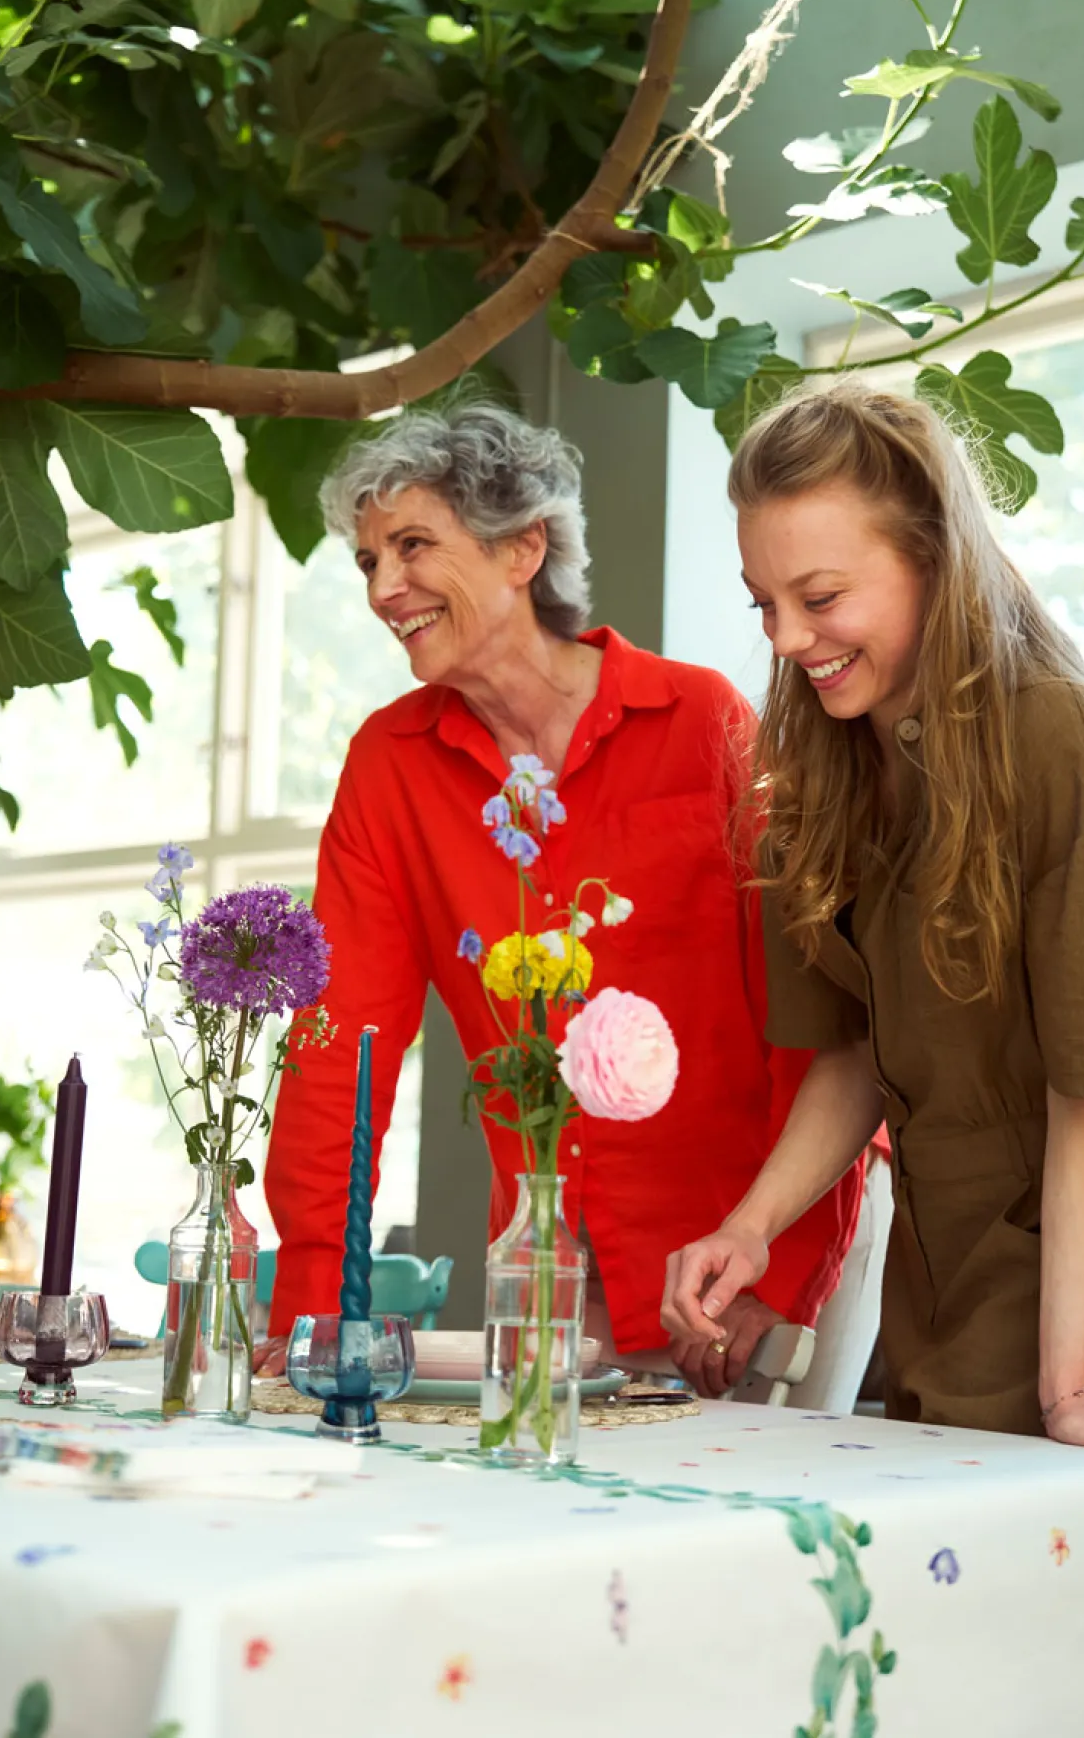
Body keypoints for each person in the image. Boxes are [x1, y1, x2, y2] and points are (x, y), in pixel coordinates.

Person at [255, 400, 865, 1391]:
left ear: (522, 548)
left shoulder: (699, 719)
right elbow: (339, 1051)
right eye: (367, 561)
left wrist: (779, 1267)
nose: (382, 588)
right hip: (556, 1275)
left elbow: (811, 1016)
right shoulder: (389, 766)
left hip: (752, 1261)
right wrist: (316, 1307)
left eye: (412, 546)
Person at [661, 379, 1084, 1446]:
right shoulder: (814, 773)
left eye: (820, 597)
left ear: (932, 557)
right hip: (935, 1290)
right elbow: (849, 1057)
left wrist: (1068, 1387)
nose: (787, 638)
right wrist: (748, 1228)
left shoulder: (1057, 739)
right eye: (762, 603)